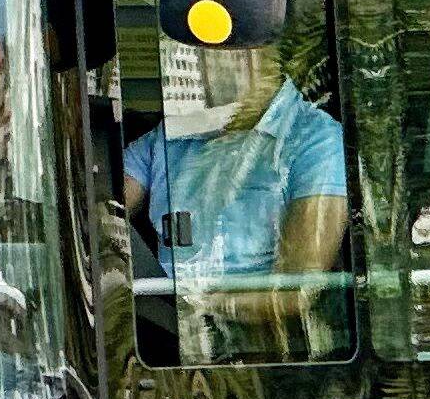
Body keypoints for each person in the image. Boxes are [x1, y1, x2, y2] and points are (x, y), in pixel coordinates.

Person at [124, 39, 351, 352]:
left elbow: (295, 290)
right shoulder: (171, 136)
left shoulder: (315, 139)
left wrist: (203, 306)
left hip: (271, 351)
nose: (195, 68)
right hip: (168, 339)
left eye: (206, 53)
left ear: (251, 56)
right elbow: (105, 203)